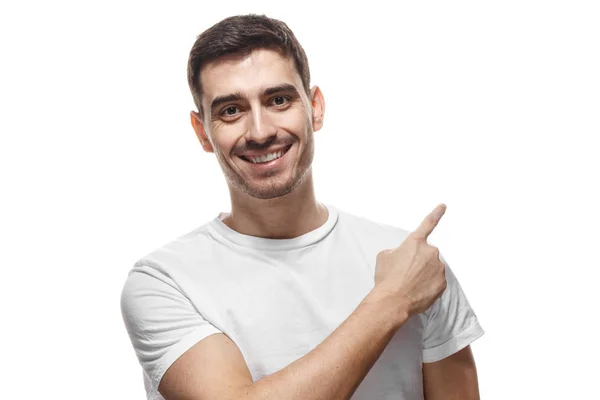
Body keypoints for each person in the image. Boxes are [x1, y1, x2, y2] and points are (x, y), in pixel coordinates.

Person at [120, 14, 484, 400]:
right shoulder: (165, 281)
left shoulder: (414, 265)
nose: (260, 132)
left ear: (316, 108)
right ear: (202, 132)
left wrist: (404, 289)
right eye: (231, 110)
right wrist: (392, 300)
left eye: (278, 100)